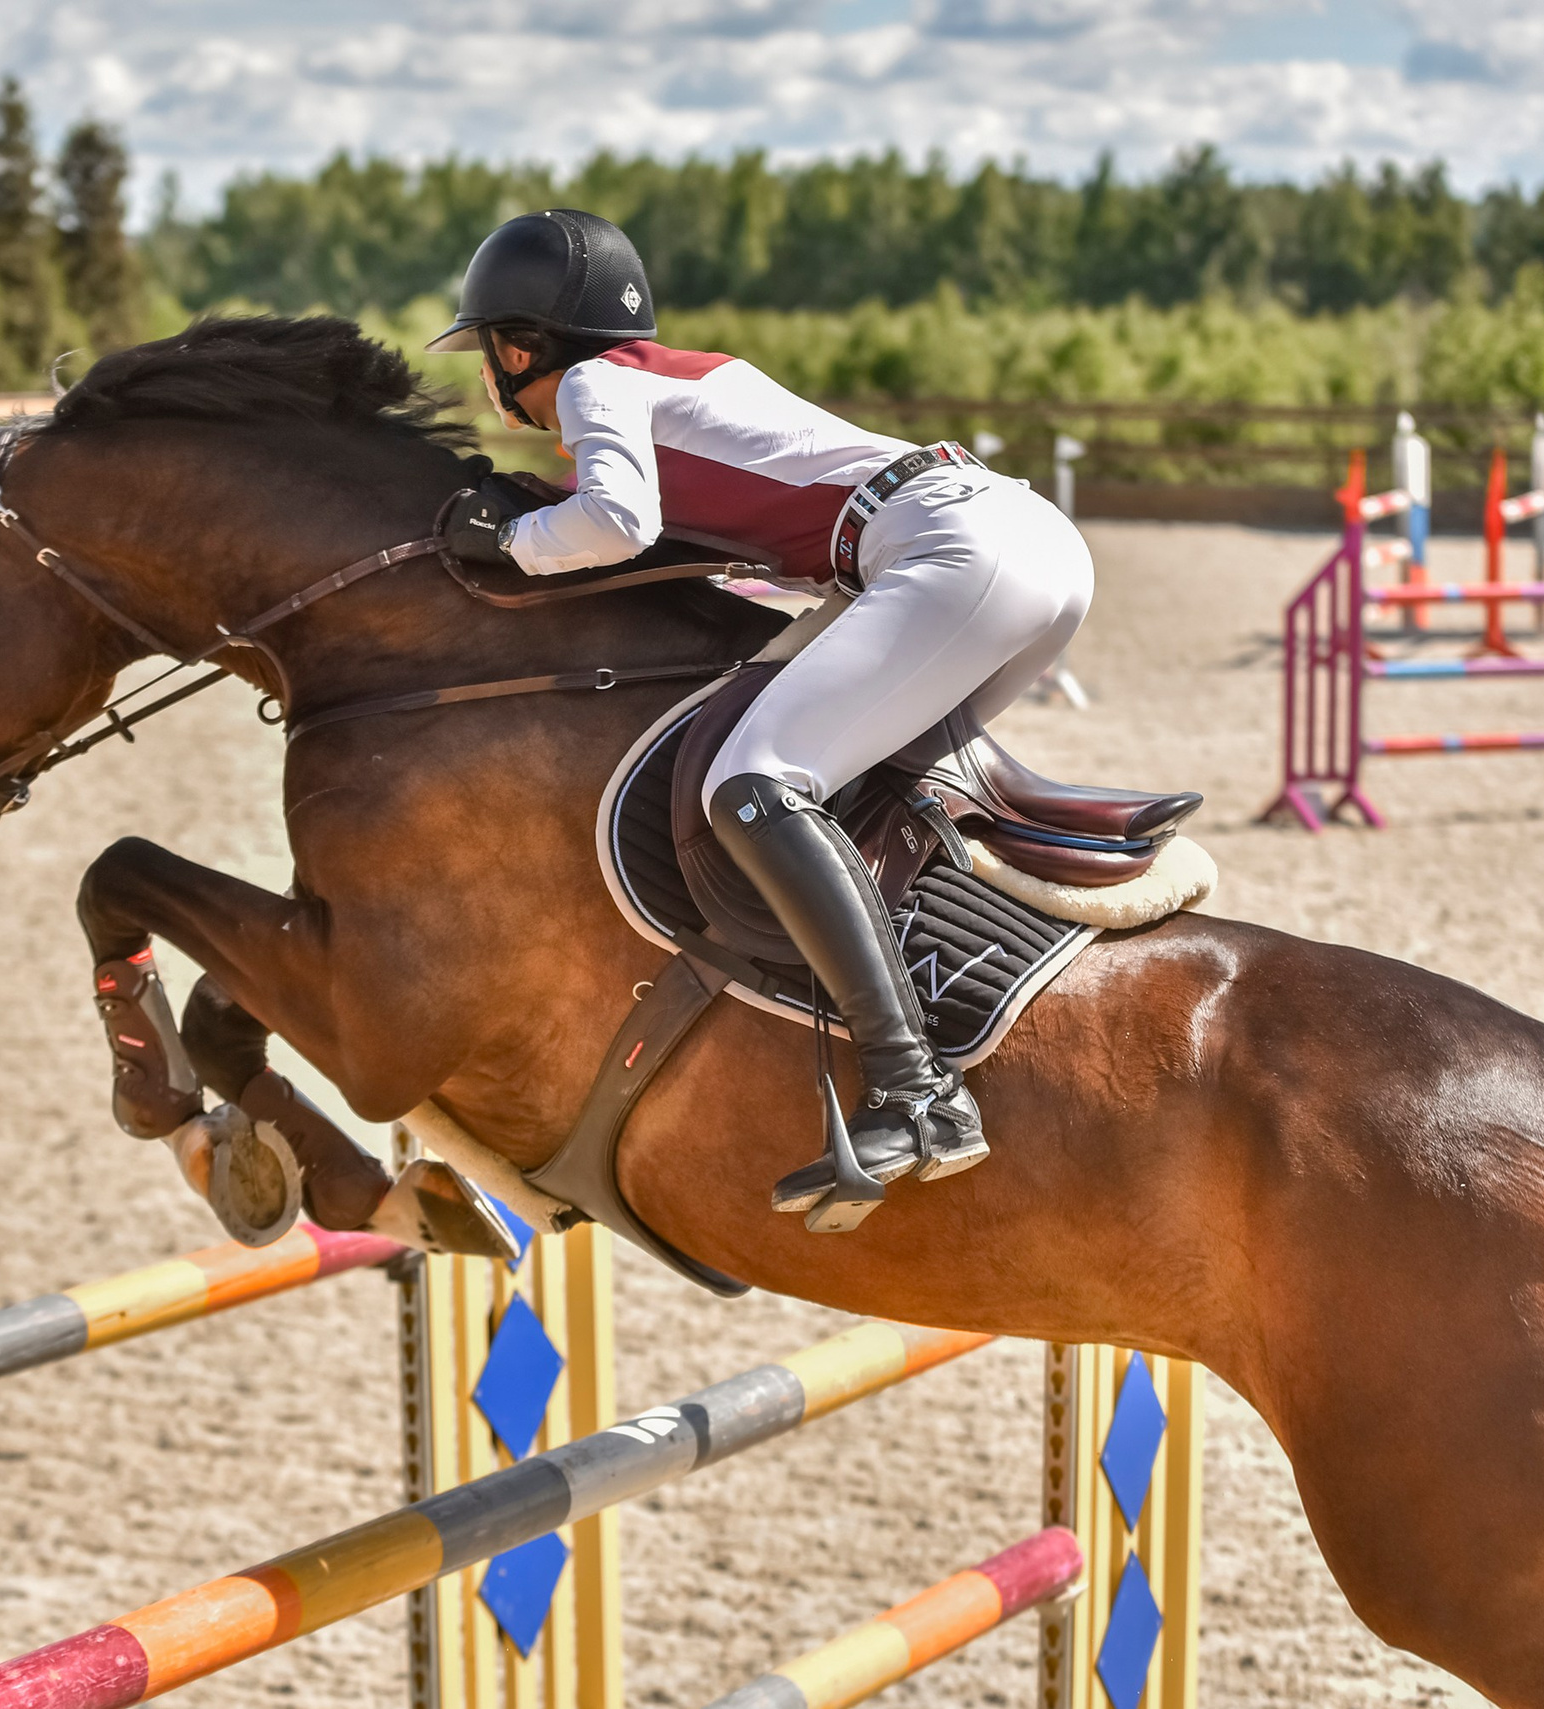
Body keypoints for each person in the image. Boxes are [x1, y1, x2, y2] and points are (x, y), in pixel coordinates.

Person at [429, 209, 1095, 1228]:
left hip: (949, 550)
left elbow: (614, 522)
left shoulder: (592, 384)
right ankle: (926, 1004)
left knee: (754, 783)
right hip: (1022, 541)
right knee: (845, 788)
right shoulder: (681, 378)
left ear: (519, 345)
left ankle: (915, 1088)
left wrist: (508, 538)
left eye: (488, 350)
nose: (491, 370)